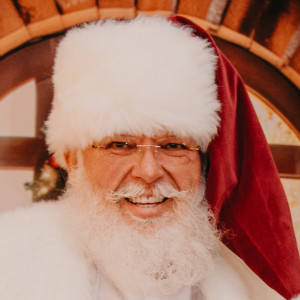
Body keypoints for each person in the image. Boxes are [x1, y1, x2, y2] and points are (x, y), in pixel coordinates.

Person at [0, 16, 299, 300]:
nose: (148, 171)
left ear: (204, 164)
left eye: (173, 146)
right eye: (120, 144)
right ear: (73, 159)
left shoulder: (251, 286)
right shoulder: (10, 268)